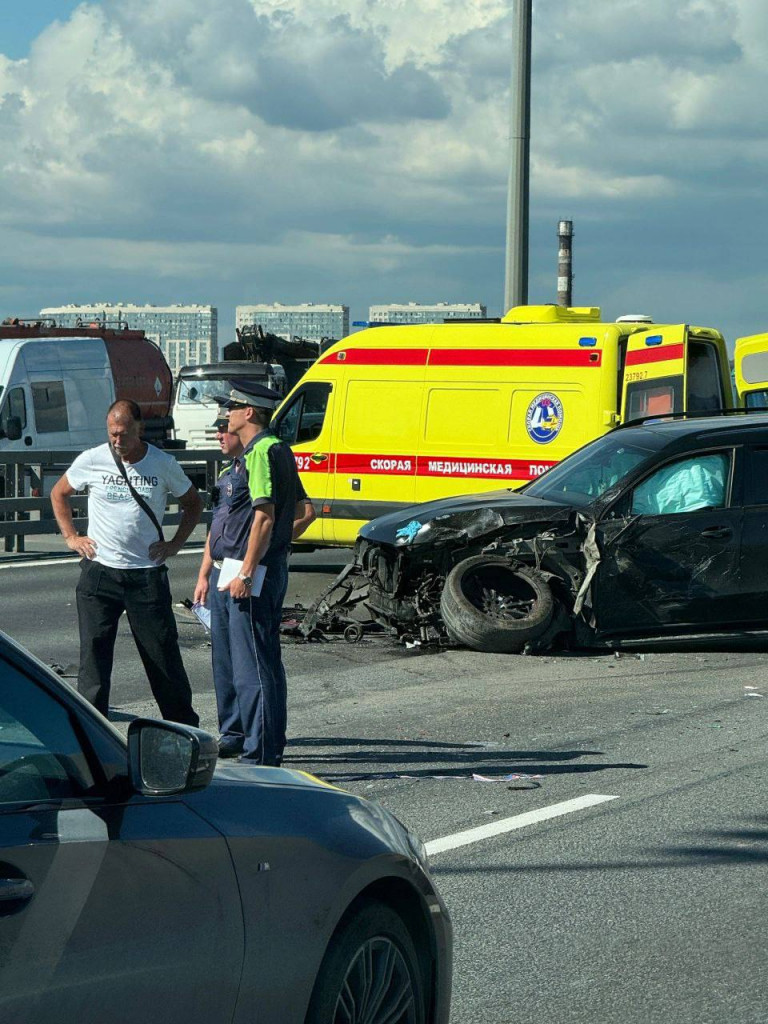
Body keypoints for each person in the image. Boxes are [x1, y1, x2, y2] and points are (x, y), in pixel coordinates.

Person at [50, 399, 203, 724]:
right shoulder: (93, 459)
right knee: (93, 661)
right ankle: (91, 734)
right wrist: (71, 537)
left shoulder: (161, 463)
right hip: (100, 574)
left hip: (145, 577)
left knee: (162, 656)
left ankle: (184, 731)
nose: (116, 441)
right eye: (111, 434)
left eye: (122, 434)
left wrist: (175, 544)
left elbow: (193, 503)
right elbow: (58, 493)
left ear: (139, 429)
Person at [193, 381, 313, 764]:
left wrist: (249, 569)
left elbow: (265, 517)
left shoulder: (263, 452)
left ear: (249, 412)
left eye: (232, 408)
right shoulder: (256, 454)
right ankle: (246, 737)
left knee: (254, 668)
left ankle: (260, 752)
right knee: (237, 663)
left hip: (250, 572)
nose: (226, 415)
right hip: (235, 568)